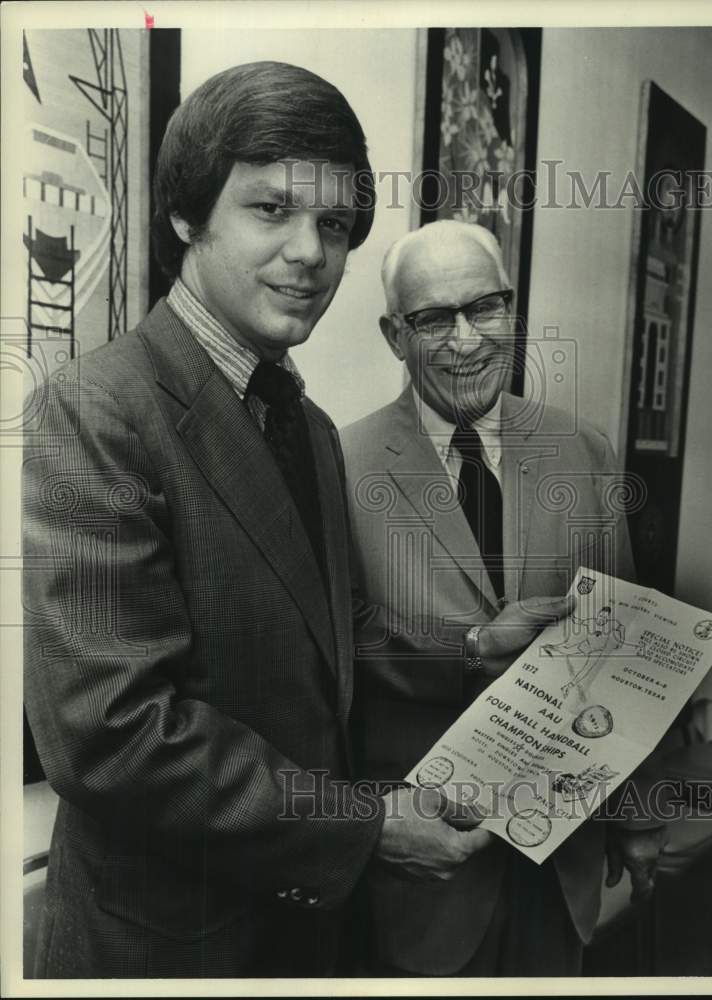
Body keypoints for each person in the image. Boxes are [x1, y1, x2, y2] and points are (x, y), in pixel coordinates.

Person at [22, 64, 547, 979]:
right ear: (186, 216)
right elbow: (111, 734)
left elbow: (327, 633)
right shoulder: (95, 408)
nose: (311, 252)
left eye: (334, 225)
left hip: (305, 935)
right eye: (272, 209)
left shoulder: (306, 425)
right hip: (170, 949)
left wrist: (471, 648)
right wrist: (365, 826)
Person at [340, 220, 667, 976]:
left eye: (484, 307)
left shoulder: (583, 450)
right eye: (434, 318)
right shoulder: (339, 463)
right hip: (426, 869)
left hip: (561, 856)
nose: (467, 340)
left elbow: (624, 647)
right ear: (394, 336)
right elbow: (334, 649)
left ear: (511, 310)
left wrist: (637, 813)